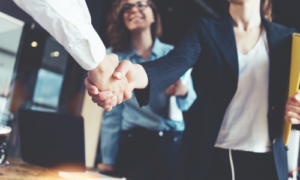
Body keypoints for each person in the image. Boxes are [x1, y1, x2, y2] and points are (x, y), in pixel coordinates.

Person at [86, 0, 300, 180]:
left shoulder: (288, 38)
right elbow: (172, 64)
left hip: (267, 159)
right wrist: (134, 75)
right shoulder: (205, 29)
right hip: (210, 157)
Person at [98, 1, 196, 180]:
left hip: (171, 142)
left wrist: (183, 92)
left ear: (153, 16)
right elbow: (112, 113)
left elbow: (190, 103)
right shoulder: (114, 58)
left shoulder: (173, 55)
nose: (134, 9)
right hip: (134, 143)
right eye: (127, 7)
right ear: (122, 18)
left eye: (141, 4)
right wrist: (108, 158)